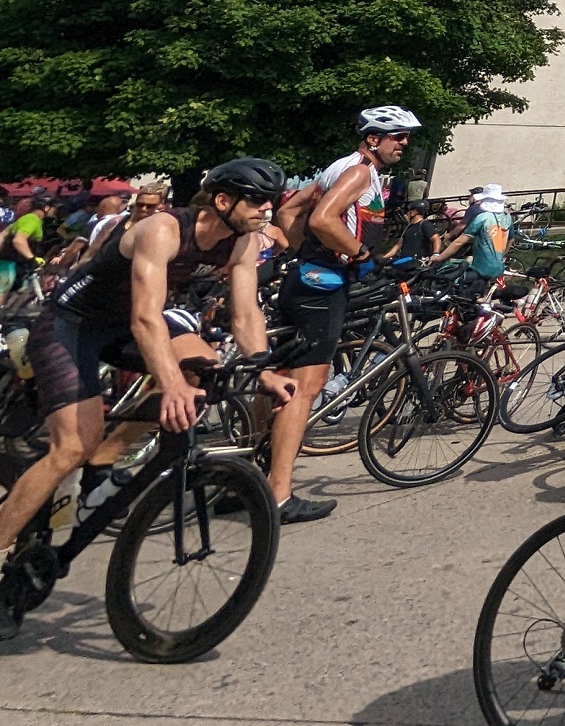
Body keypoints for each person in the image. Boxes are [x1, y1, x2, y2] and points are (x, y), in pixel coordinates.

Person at [0, 159, 296, 611]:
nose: (266, 211)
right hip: (72, 323)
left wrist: (263, 369)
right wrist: (170, 384)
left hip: (126, 324)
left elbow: (245, 314)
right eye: (257, 200)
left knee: (206, 363)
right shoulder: (163, 229)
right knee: (71, 447)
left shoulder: (241, 242)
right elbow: (144, 317)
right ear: (223, 200)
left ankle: (106, 463)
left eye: (270, 202)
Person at [266, 104, 418, 522]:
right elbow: (321, 218)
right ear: (373, 139)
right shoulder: (359, 172)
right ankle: (277, 496)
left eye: (406, 137)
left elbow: (289, 211)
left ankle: (252, 481)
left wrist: (302, 254)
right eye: (397, 136)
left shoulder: (338, 168)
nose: (404, 144)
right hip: (323, 288)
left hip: (307, 281)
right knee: (304, 390)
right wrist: (359, 254)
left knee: (281, 384)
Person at [440, 183, 513, 285]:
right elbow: (511, 239)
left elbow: (459, 242)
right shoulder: (507, 218)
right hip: (499, 267)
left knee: (450, 282)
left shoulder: (483, 218)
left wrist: (439, 257)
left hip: (481, 268)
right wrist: (503, 254)